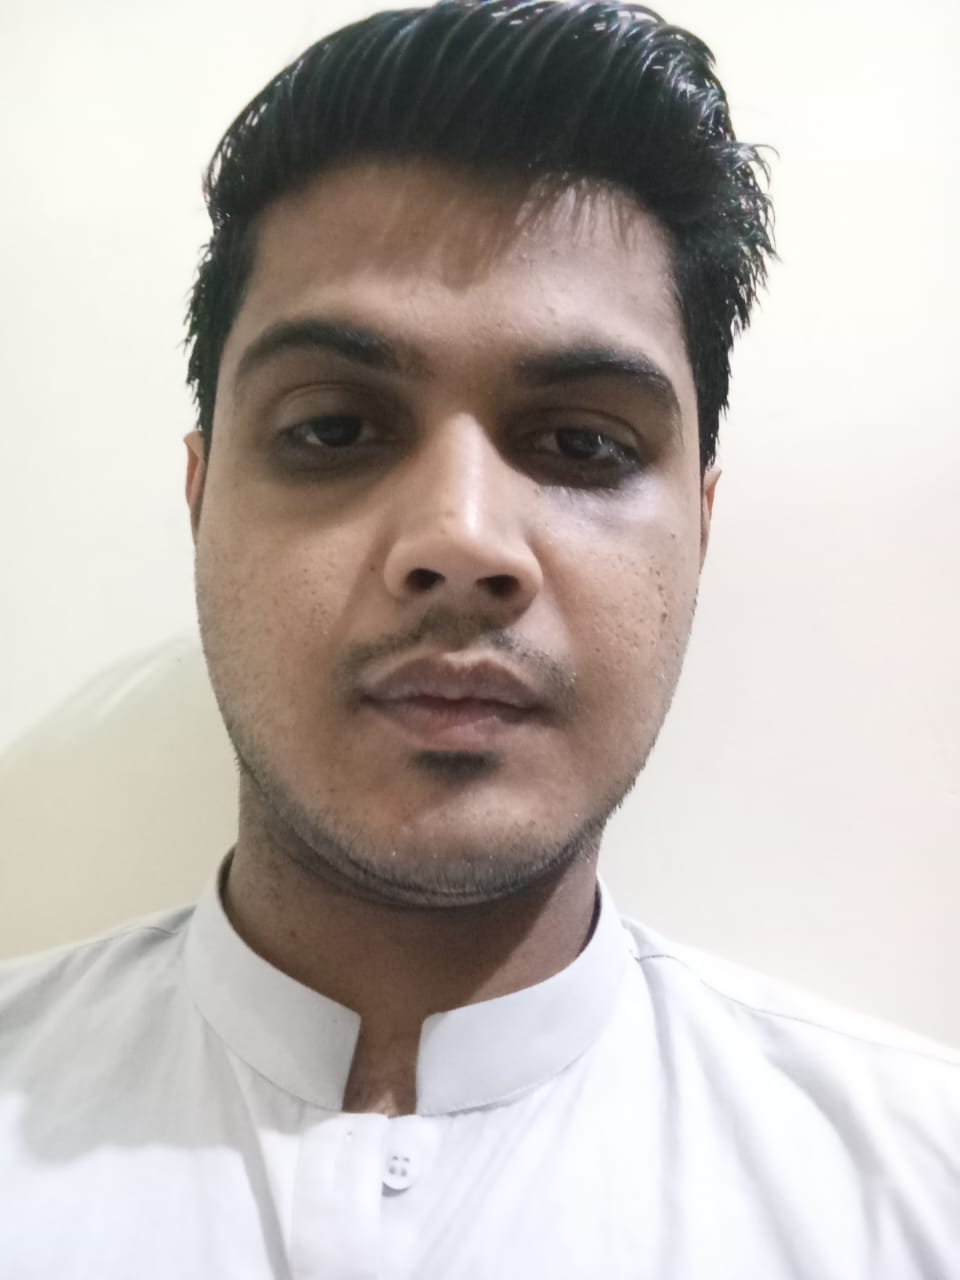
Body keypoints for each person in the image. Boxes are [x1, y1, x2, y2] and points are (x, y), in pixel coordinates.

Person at [1, 1, 957, 1275]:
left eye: (584, 443)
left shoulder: (920, 1191)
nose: (461, 537)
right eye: (335, 429)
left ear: (701, 529)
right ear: (199, 496)